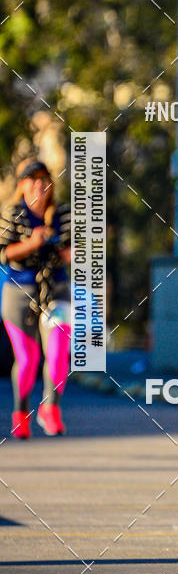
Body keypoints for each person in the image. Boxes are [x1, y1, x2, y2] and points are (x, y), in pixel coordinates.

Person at [0, 159, 71, 438]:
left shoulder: (62, 213)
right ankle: (20, 412)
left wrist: (71, 253)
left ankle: (50, 409)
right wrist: (32, 243)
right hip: (17, 292)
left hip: (56, 289)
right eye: (32, 179)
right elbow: (3, 254)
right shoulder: (12, 213)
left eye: (44, 178)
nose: (40, 184)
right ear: (22, 185)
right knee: (28, 360)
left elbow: (71, 248)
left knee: (57, 351)